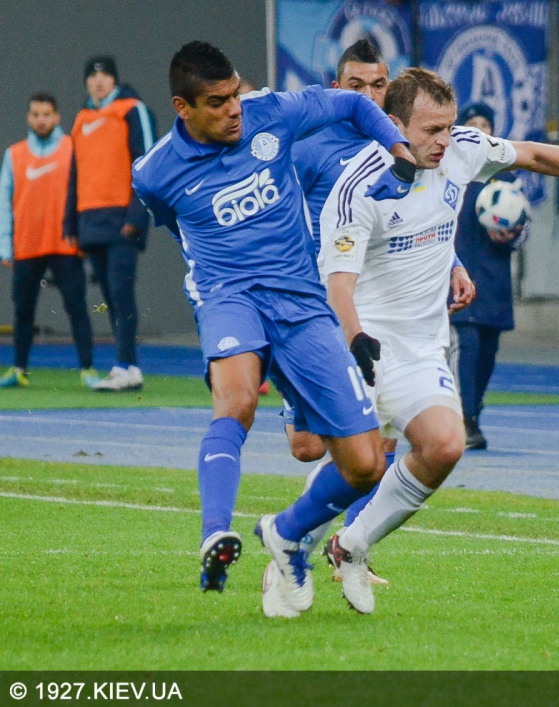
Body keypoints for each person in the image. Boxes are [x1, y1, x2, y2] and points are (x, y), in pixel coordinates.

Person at [289, 67, 559, 615]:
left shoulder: (461, 150)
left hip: (422, 347)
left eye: (449, 126)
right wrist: (354, 340)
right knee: (340, 458)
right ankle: (290, 542)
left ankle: (351, 545)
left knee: (445, 446)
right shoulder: (359, 186)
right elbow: (338, 284)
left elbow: (536, 155)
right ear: (393, 125)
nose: (445, 140)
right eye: (431, 130)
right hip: (363, 343)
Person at [129, 41, 415, 603]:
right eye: (217, 103)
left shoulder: (272, 112)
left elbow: (353, 105)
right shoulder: (153, 173)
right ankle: (215, 534)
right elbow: (176, 227)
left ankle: (286, 534)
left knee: (364, 463)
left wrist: (398, 148)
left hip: (303, 301)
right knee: (237, 402)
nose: (234, 109)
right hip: (229, 297)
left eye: (235, 94)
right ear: (183, 107)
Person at [258, 41, 474, 611]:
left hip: (377, 318)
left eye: (378, 85)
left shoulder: (400, 148)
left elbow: (415, 217)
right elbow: (274, 216)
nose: (369, 96)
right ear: (337, 89)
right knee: (308, 447)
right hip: (316, 304)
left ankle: (335, 548)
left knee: (379, 445)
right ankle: (298, 539)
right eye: (357, 86)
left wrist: (451, 261)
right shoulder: (311, 148)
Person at [64, 56, 156, 391]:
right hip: (91, 221)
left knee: (121, 291)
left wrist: (137, 215)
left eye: (105, 76)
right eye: (93, 76)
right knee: (108, 295)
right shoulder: (81, 118)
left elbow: (147, 163)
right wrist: (70, 224)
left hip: (122, 219)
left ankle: (125, 365)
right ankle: (129, 367)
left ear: (115, 80)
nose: (98, 81)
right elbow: (74, 174)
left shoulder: (132, 109)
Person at [0, 93, 97, 389]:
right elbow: (4, 202)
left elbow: (85, 194)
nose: (41, 120)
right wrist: (6, 246)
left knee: (76, 307)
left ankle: (88, 369)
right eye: (35, 115)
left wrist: (83, 239)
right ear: (28, 118)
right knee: (23, 311)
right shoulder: (14, 154)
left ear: (56, 117)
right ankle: (19, 369)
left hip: (66, 244)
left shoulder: (72, 148)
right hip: (26, 245)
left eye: (46, 114)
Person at [448, 102, 528, 450]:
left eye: (486, 124)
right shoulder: (450, 171)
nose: (480, 130)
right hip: (459, 280)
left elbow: (524, 227)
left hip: (494, 283)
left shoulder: (507, 177)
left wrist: (511, 235)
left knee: (487, 353)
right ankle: (463, 420)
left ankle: (473, 410)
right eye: (473, 124)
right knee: (466, 346)